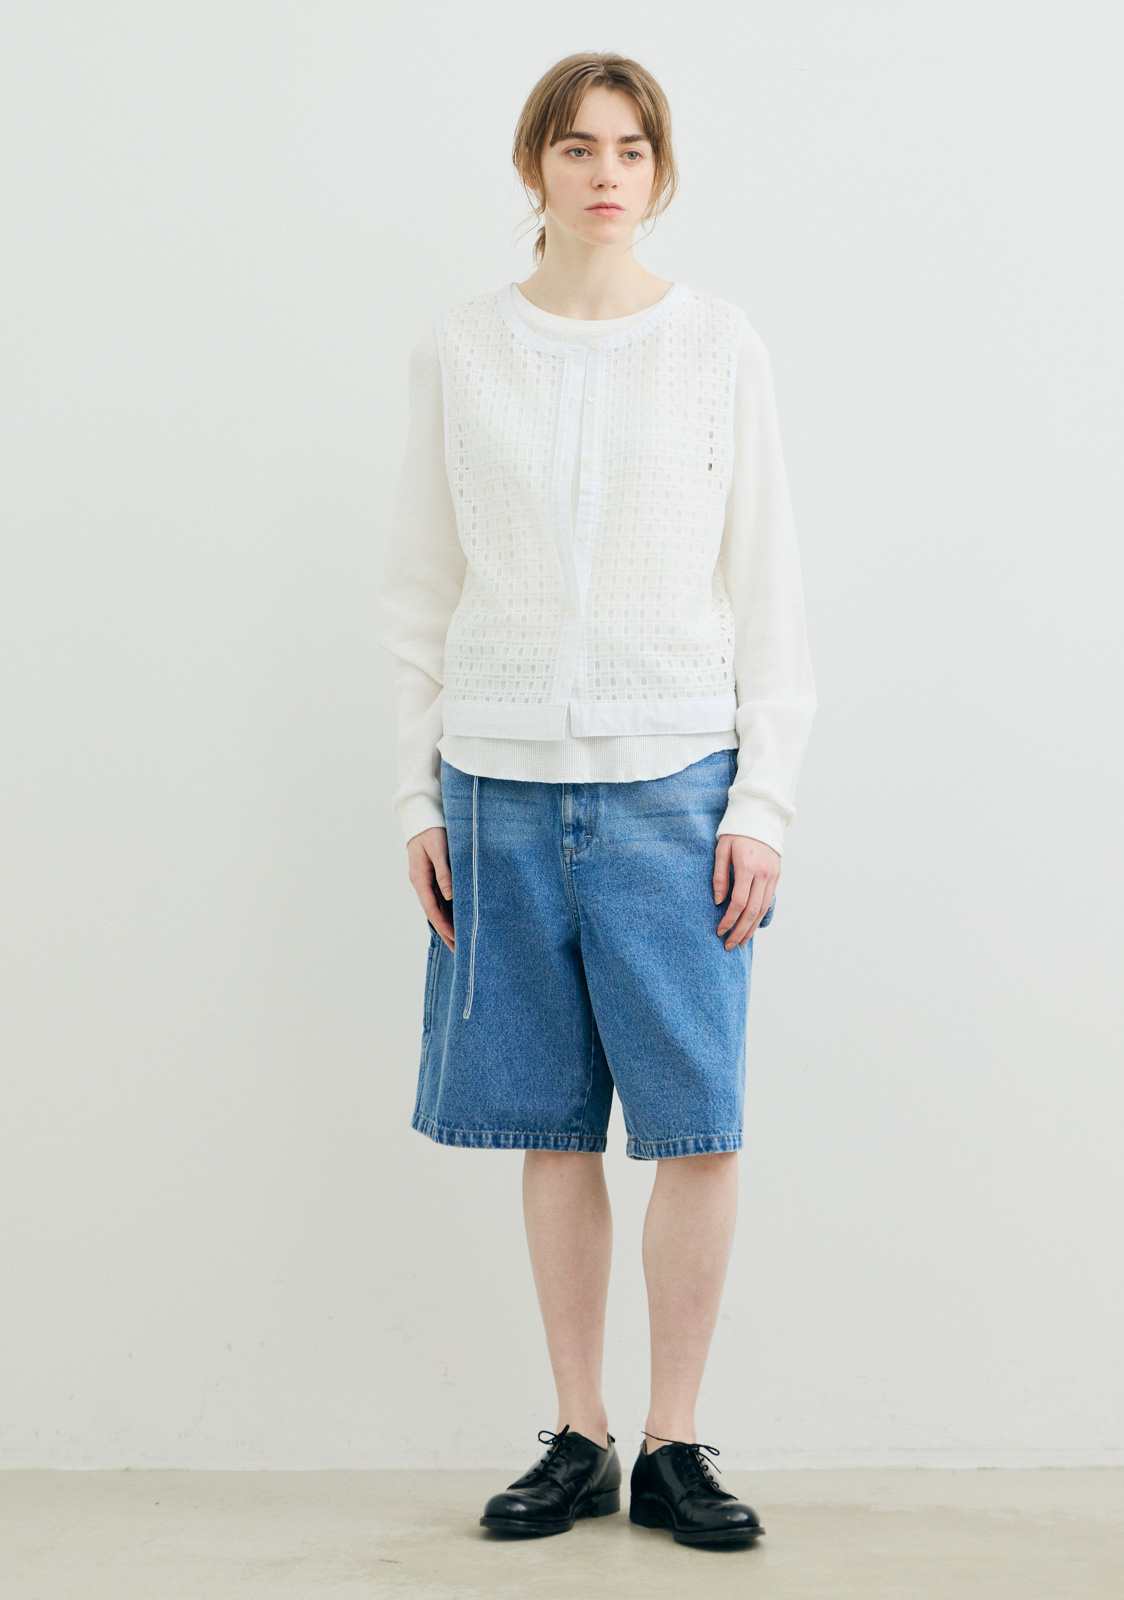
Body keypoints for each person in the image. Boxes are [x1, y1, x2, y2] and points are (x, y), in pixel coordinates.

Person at [379, 51, 817, 1549]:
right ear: (536, 167)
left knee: (697, 1125)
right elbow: (417, 587)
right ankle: (579, 1433)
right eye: (578, 147)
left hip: (675, 790)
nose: (606, 172)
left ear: (661, 169)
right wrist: (414, 796)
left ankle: (676, 1441)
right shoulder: (461, 350)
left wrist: (763, 802)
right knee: (550, 1124)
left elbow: (769, 586)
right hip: (497, 789)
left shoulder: (719, 347)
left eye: (632, 148)